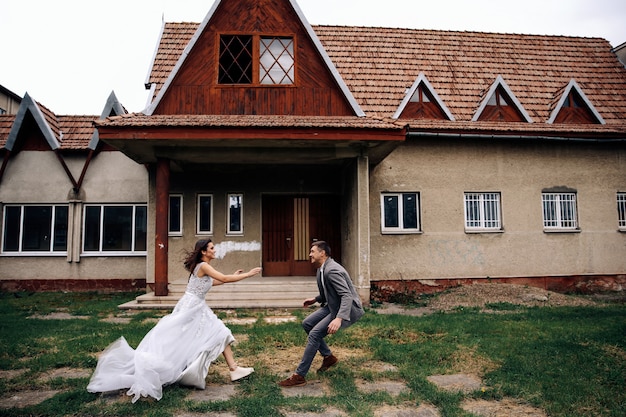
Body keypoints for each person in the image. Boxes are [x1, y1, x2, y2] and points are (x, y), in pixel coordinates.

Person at [87, 238, 262, 403]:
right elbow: (223, 278)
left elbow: (214, 282)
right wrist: (247, 274)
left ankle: (233, 369)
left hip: (194, 305)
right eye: (212, 248)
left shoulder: (202, 267)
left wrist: (233, 275)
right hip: (192, 307)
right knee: (193, 337)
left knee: (218, 332)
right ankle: (217, 369)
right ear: (203, 252)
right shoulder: (203, 266)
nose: (215, 250)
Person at [278, 240, 364, 387]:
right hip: (333, 305)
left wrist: (339, 318)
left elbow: (346, 296)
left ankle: (300, 375)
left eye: (313, 251)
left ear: (322, 253)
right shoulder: (322, 269)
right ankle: (328, 357)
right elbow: (329, 293)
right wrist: (315, 299)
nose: (310, 254)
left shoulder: (332, 270)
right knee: (307, 323)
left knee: (315, 334)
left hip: (347, 309)